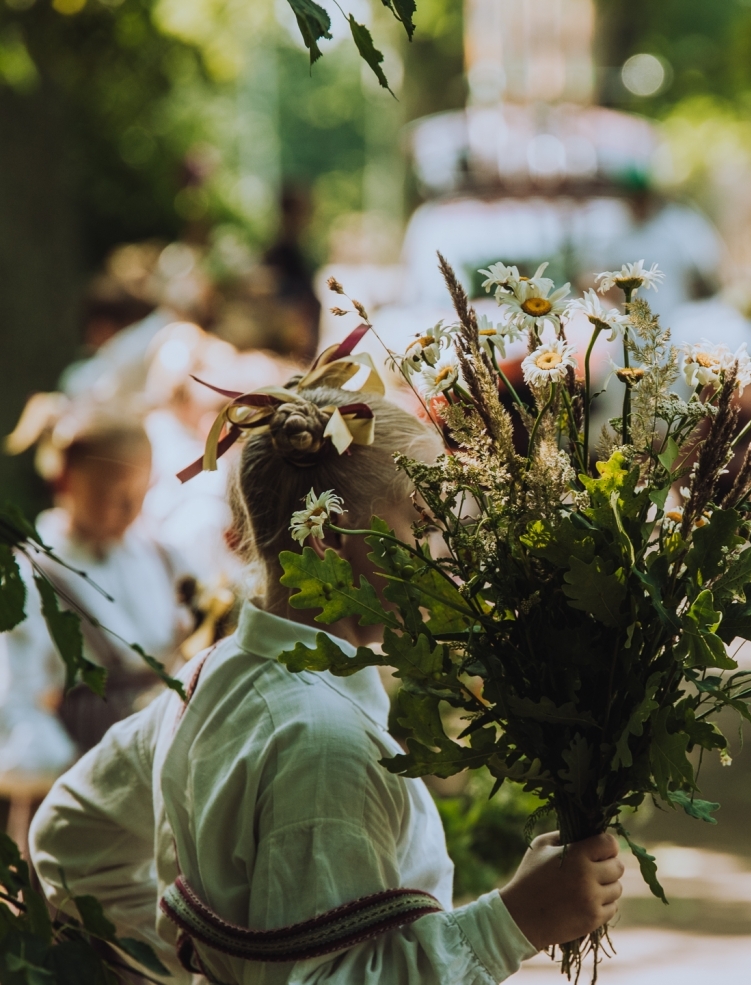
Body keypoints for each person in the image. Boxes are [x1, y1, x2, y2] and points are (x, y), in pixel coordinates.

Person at [30, 381, 623, 983]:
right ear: (331, 538)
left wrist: (178, 964)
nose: (445, 552)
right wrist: (514, 922)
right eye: (424, 521)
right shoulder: (324, 743)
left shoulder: (208, 677)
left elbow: (68, 835)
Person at [3, 400, 195, 757]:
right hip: (84, 776)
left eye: (141, 493)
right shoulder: (32, 580)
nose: (131, 509)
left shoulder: (166, 559)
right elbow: (16, 710)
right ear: (64, 480)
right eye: (114, 494)